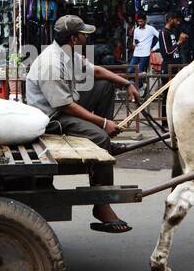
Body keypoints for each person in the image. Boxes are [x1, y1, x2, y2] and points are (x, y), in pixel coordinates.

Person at [26, 15, 140, 234]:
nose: (87, 37)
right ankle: (102, 204)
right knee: (100, 137)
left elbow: (96, 71)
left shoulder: (67, 53)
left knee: (105, 85)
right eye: (83, 34)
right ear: (74, 38)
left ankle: (104, 140)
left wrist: (127, 84)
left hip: (65, 106)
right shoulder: (51, 63)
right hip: (52, 119)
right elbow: (66, 106)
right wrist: (104, 123)